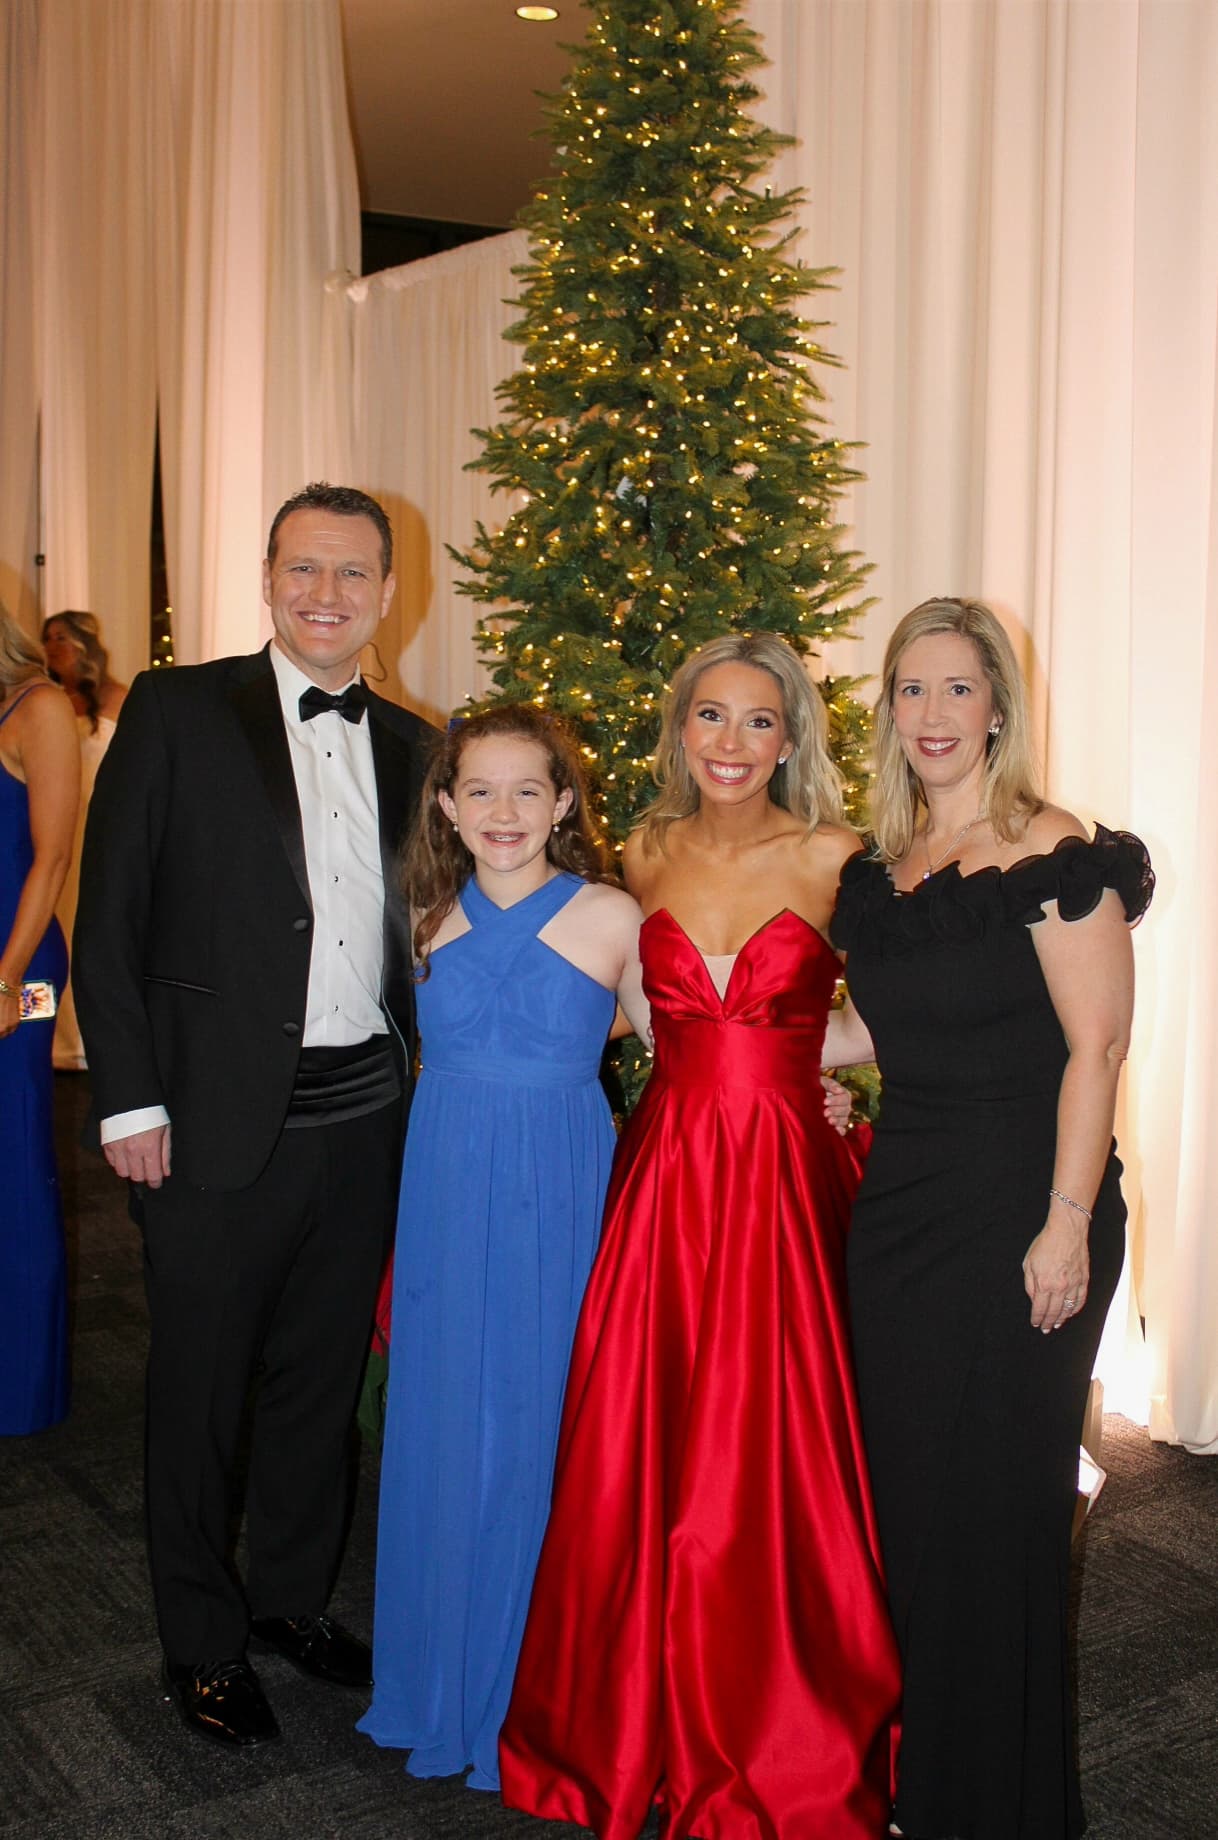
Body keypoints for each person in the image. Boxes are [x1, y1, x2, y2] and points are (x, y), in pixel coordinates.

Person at [500, 634, 901, 1840]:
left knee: (776, 1447)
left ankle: (784, 1727)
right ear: (680, 729)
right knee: (648, 1438)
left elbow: (894, 1015)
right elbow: (630, 1009)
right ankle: (634, 1727)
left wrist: (809, 1071)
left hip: (783, 1177)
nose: (731, 744)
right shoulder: (643, 851)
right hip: (668, 1176)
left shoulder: (838, 856)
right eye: (709, 718)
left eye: (758, 722)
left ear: (793, 738)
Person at [73, 483, 432, 1749]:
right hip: (210, 1118)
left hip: (368, 1116)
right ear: (266, 577)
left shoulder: (415, 743)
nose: (326, 595)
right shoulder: (177, 710)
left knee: (319, 1382)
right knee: (203, 1388)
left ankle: (288, 1599)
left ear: (390, 593)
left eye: (351, 575)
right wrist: (127, 1093)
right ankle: (201, 1639)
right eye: (304, 569)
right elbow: (105, 910)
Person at [825, 597, 1153, 1840]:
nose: (932, 715)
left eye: (958, 689)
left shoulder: (1051, 848)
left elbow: (1098, 1042)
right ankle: (935, 1784)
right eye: (911, 689)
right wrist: (808, 1053)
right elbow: (892, 1024)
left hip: (1026, 1203)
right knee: (914, 1499)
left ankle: (1004, 1809)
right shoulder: (885, 865)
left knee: (1001, 1511)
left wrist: (1067, 1222)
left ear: (999, 709)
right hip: (906, 1204)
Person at [357, 705, 651, 1790]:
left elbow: (679, 1037)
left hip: (560, 1183)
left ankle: (531, 1693)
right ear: (446, 805)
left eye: (529, 790)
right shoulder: (428, 916)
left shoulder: (614, 914)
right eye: (479, 790)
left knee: (538, 1422)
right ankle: (435, 1682)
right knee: (442, 1421)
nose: (504, 812)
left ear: (566, 803)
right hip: (444, 1187)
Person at [0, 610, 80, 1436]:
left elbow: (52, 858)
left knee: (14, 1158)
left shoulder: (38, 706)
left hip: (15, 968)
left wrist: (6, 975)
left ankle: (20, 1385)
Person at [41, 609, 128, 1070]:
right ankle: (53, 1038)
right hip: (55, 833)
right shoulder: (43, 703)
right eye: (47, 638)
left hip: (101, 835)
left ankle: (90, 1043)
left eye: (61, 638)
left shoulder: (121, 699)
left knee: (94, 931)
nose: (53, 647)